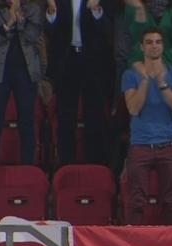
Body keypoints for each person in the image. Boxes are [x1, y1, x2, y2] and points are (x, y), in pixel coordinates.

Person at [121, 27, 172, 225]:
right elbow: (133, 108)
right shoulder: (130, 75)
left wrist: (161, 83)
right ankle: (134, 244)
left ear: (163, 46)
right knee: (136, 201)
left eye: (158, 42)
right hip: (140, 145)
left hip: (168, 144)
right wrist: (144, 80)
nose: (154, 45)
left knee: (170, 200)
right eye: (149, 42)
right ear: (142, 47)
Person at [45, 0, 113, 165]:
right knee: (66, 116)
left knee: (94, 115)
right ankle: (66, 164)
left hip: (93, 62)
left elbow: (108, 29)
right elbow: (49, 31)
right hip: (67, 61)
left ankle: (94, 163)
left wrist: (97, 10)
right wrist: (52, 13)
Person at [0, 0, 42, 176]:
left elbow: (34, 36)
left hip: (25, 72)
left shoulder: (33, 9)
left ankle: (27, 172)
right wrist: (9, 23)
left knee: (26, 123)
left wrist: (21, 20)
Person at [124, 0, 172, 67]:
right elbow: (137, 36)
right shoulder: (134, 4)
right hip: (141, 61)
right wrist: (140, 9)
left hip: (169, 62)